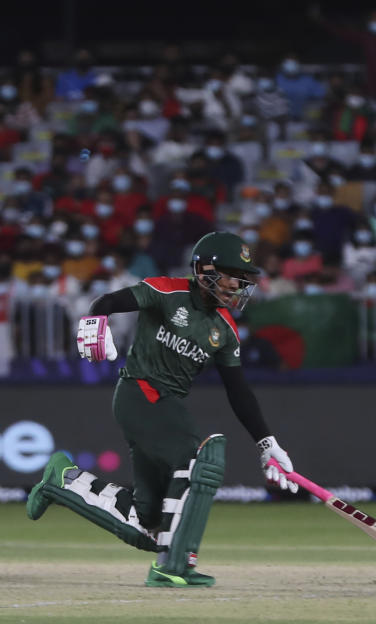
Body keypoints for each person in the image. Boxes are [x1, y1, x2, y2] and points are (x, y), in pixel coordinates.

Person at [26, 232, 299, 587]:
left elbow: (239, 391)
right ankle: (174, 567)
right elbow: (106, 301)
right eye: (232, 274)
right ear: (204, 269)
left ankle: (62, 480)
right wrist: (95, 322)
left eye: (242, 278)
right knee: (197, 458)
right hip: (139, 392)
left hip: (162, 405)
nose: (238, 284)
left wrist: (267, 444)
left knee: (150, 526)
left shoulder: (226, 330)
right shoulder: (166, 290)